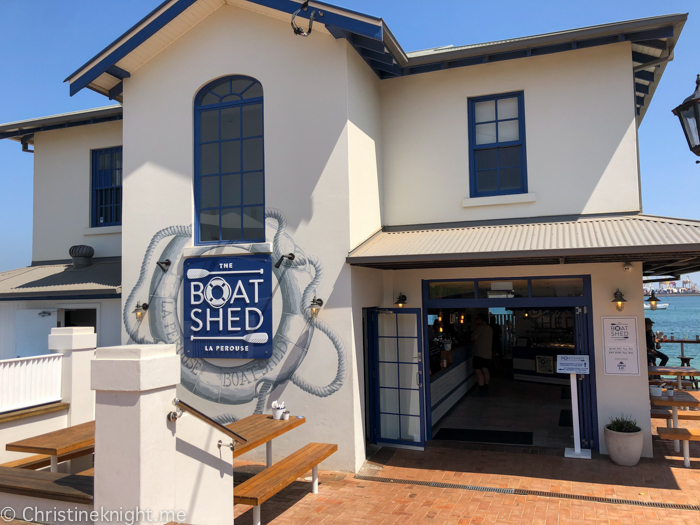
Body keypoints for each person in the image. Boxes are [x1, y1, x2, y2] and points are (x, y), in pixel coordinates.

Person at [471, 313, 493, 397]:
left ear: (481, 319)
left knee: (478, 371)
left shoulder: (480, 328)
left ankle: (481, 390)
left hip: (479, 353)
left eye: (477, 319)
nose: (476, 320)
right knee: (485, 369)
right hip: (487, 353)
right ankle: (486, 388)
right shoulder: (489, 328)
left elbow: (472, 338)